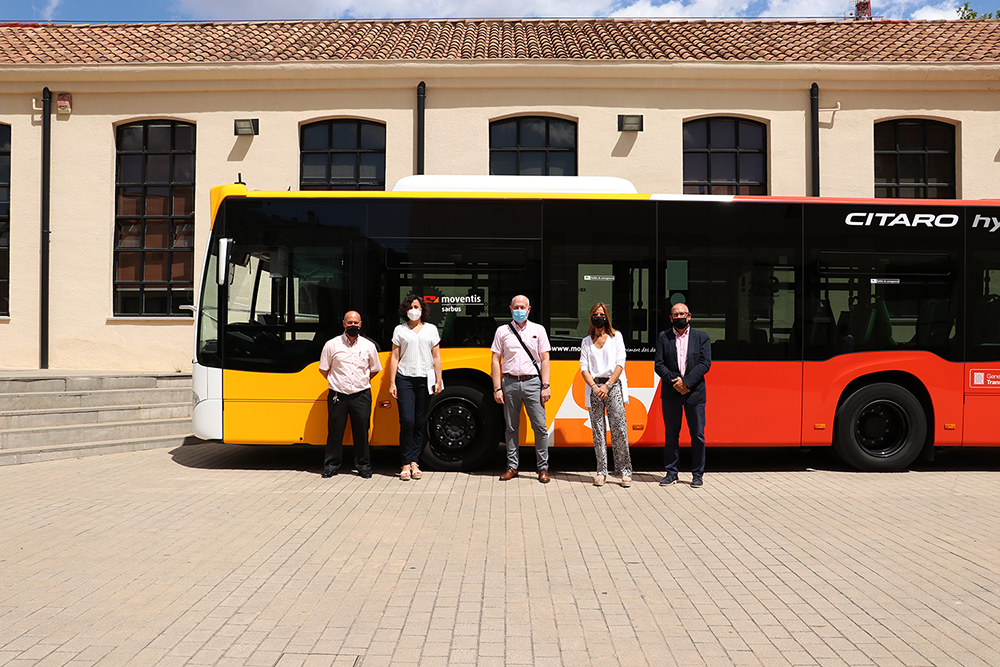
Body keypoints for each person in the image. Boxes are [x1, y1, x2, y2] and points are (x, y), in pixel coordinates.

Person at [490, 295, 552, 483]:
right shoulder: (502, 331)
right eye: (516, 307)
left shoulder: (538, 330)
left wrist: (545, 385)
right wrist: (497, 388)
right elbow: (495, 360)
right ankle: (512, 467)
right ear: (510, 309)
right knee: (511, 428)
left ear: (529, 309)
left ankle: (543, 469)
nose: (519, 310)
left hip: (533, 383)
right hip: (509, 383)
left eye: (522, 307)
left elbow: (545, 359)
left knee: (540, 427)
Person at [318, 310, 382, 479]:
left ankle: (363, 466)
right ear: (343, 324)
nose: (353, 326)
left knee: (362, 431)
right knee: (335, 431)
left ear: (361, 324)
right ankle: (331, 465)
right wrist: (338, 382)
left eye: (356, 323)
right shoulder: (332, 345)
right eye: (349, 323)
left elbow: (374, 369)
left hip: (361, 395)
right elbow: (324, 369)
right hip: (338, 395)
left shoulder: (369, 346)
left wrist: (360, 381)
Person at [654, 302, 712, 488]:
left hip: (694, 393)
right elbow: (659, 364)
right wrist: (676, 381)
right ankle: (671, 473)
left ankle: (697, 474)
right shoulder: (664, 337)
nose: (679, 317)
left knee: (697, 435)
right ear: (671, 318)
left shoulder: (702, 337)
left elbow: (705, 364)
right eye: (675, 314)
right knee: (671, 434)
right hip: (671, 393)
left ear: (689, 316)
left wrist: (686, 382)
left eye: (682, 314)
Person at [387, 294, 443, 481]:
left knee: (420, 421)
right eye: (411, 306)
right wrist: (392, 382)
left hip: (425, 379)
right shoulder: (400, 330)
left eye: (417, 306)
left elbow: (436, 357)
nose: (414, 310)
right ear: (405, 309)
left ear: (423, 309)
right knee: (407, 421)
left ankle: (414, 462)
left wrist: (439, 380)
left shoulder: (431, 329)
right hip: (405, 379)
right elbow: (394, 357)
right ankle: (404, 463)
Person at [580, 302, 633, 487]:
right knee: (598, 432)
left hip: (613, 387)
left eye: (602, 314)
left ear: (607, 317)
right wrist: (595, 387)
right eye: (595, 314)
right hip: (595, 388)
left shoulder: (615, 336)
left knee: (619, 429)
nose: (598, 317)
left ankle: (624, 471)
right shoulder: (586, 341)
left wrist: (608, 385)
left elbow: (620, 362)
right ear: (591, 317)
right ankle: (601, 472)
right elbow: (584, 368)